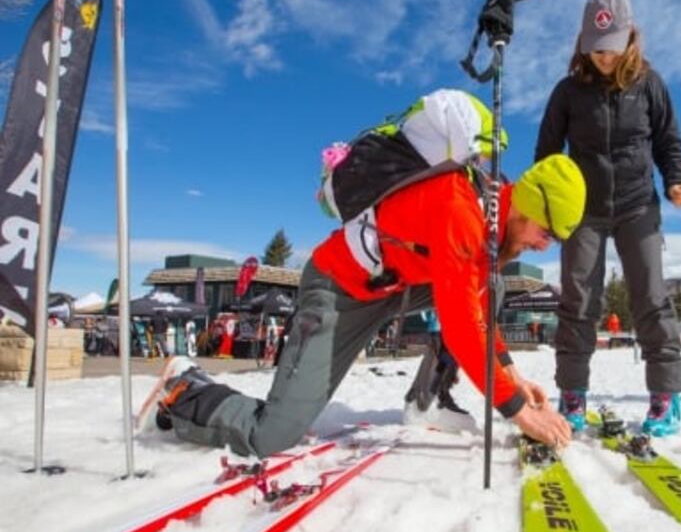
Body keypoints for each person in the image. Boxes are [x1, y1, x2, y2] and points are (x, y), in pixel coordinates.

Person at [149, 93, 585, 458]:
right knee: (269, 436)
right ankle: (185, 390)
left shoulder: (497, 223)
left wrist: (513, 376)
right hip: (339, 290)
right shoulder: (464, 212)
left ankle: (425, 399)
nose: (545, 245)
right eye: (547, 232)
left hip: (395, 288)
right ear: (529, 203)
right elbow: (459, 323)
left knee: (493, 285)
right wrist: (518, 412)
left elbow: (480, 306)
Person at [535, 0, 681, 436]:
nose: (604, 56)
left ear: (630, 38)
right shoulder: (567, 92)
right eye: (596, 46)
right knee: (579, 299)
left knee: (650, 295)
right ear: (584, 42)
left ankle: (665, 396)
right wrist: (545, 207)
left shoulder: (650, 84)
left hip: (638, 203)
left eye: (612, 45)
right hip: (582, 210)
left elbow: (668, 139)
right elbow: (546, 153)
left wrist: (677, 178)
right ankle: (572, 394)